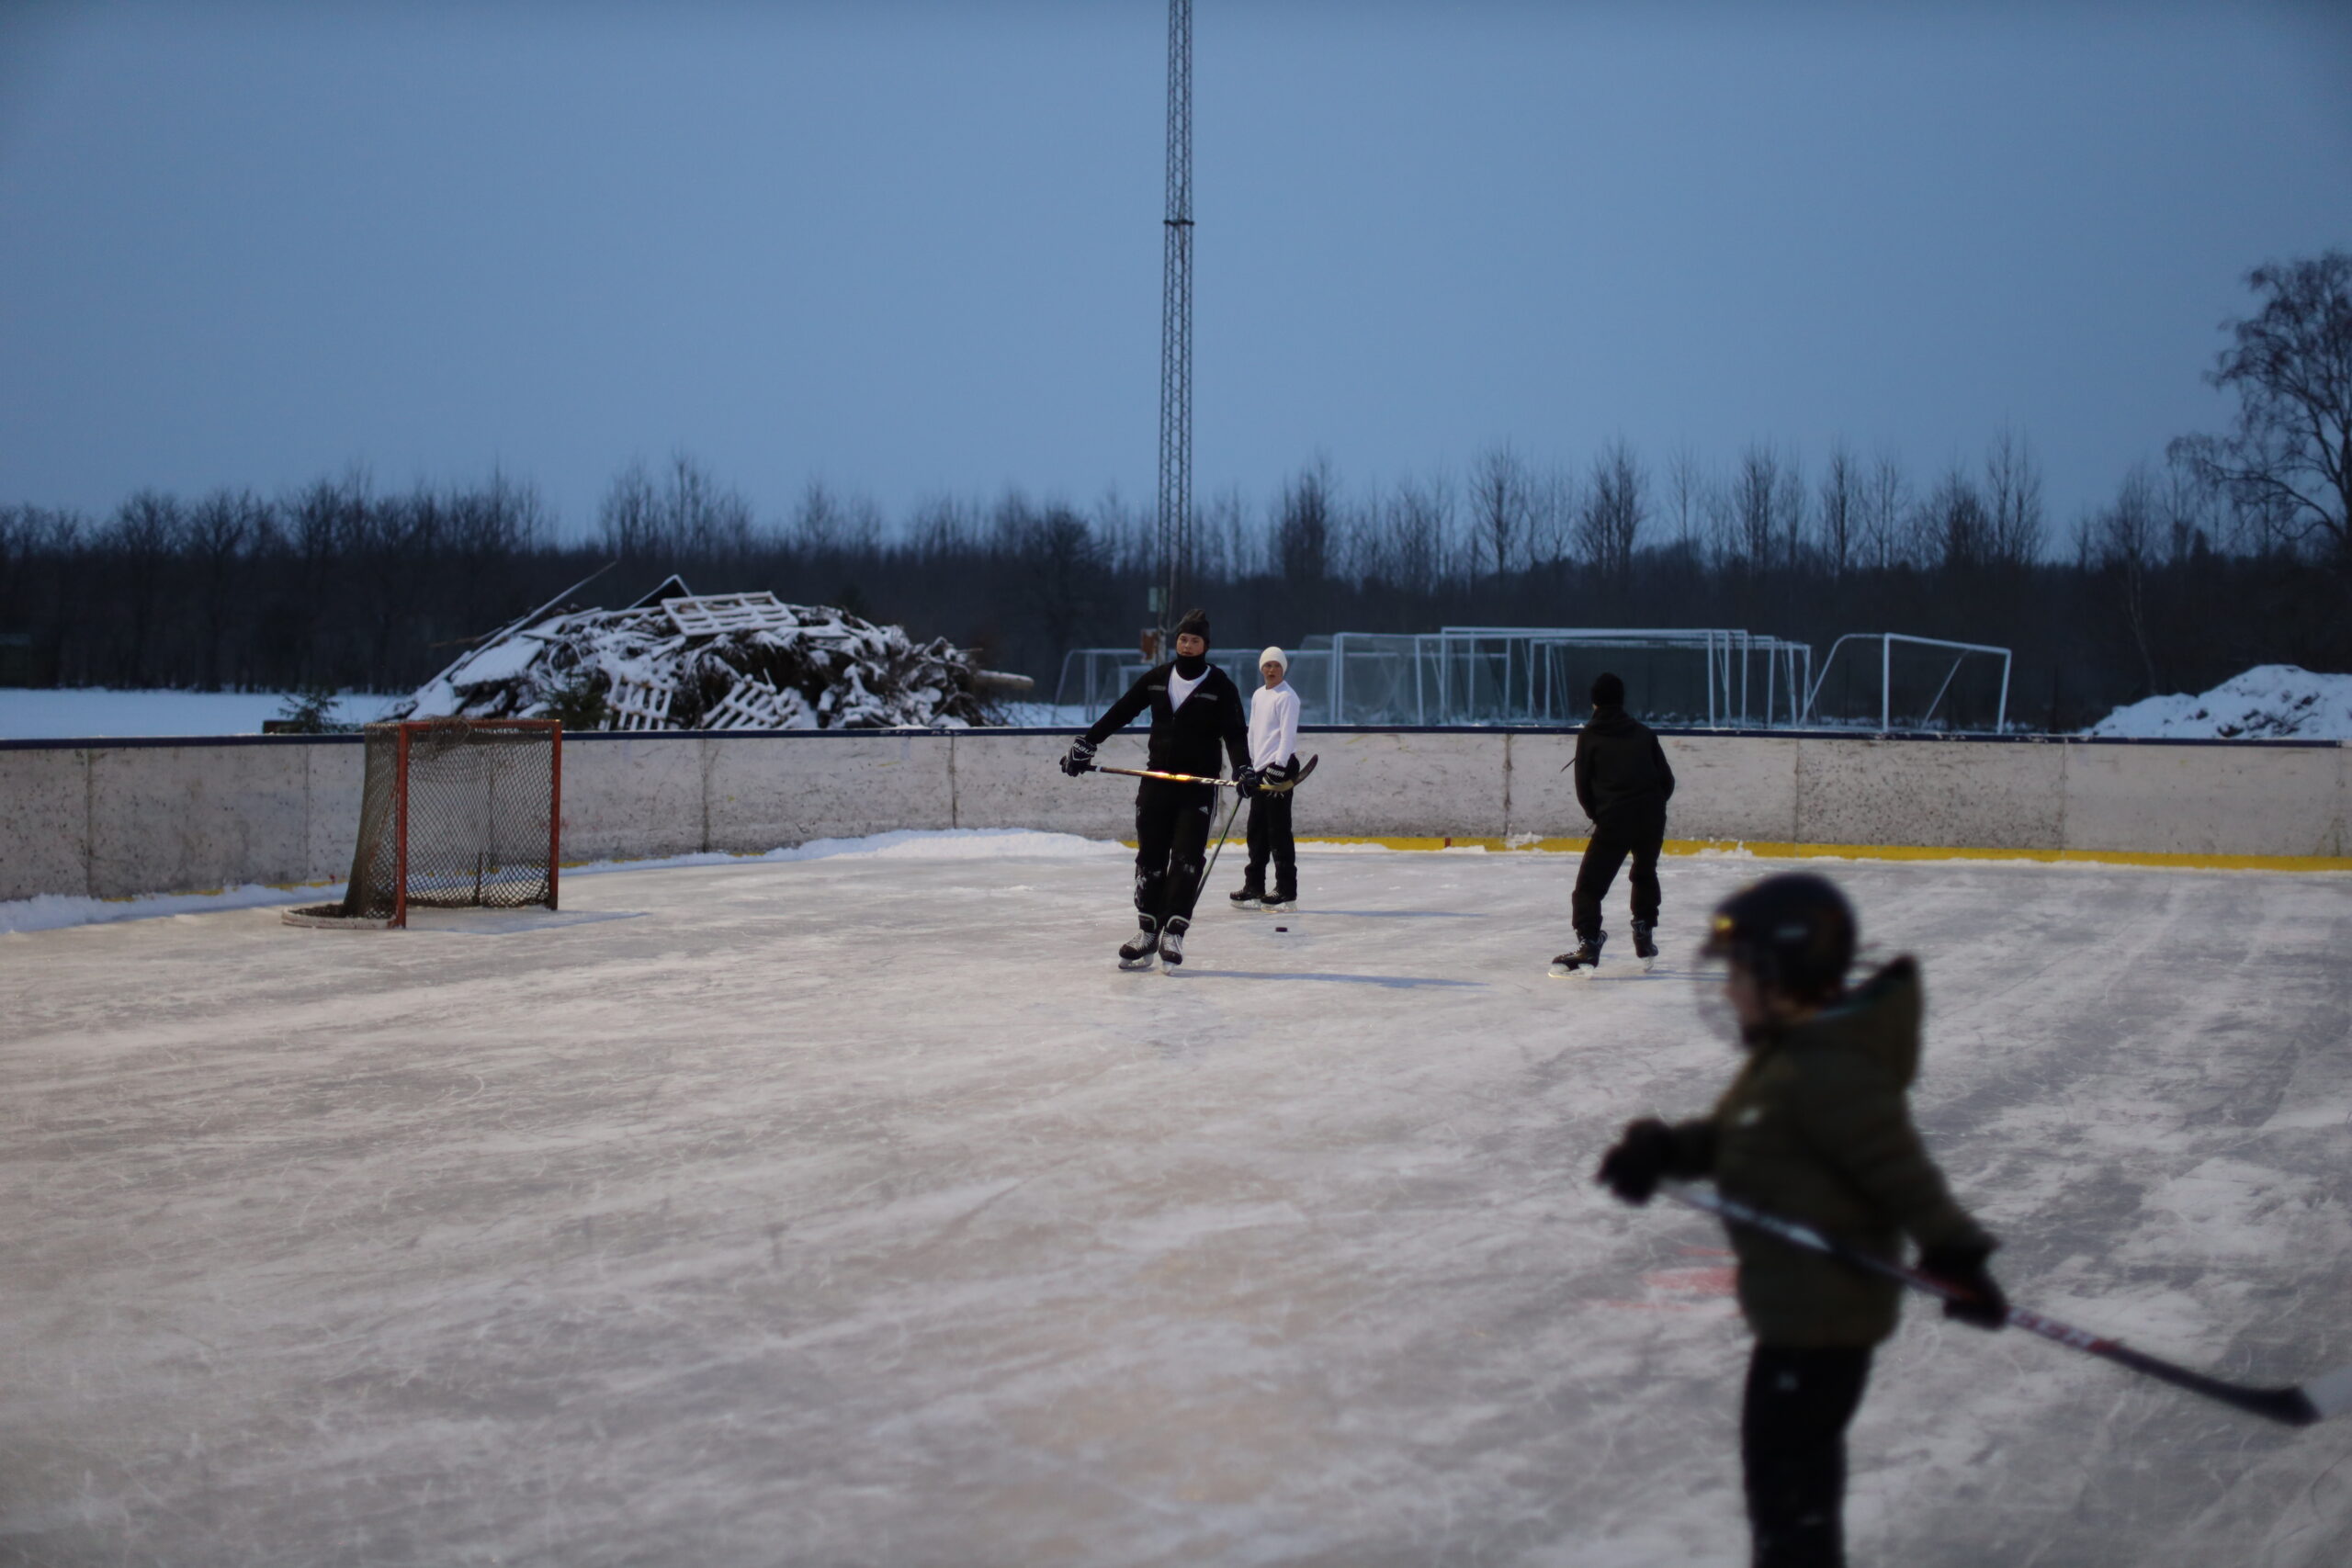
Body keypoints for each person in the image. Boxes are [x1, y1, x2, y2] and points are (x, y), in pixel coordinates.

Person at [1595, 872, 2007, 1568]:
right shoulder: (1792, 1060)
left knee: (1791, 1492)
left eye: (1739, 974)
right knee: (1784, 1485)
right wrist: (1668, 1151)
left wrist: (1954, 1249)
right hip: (1800, 1314)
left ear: (1784, 974)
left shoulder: (1829, 1070)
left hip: (1822, 1322)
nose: (1726, 990)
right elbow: (1742, 1137)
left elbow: (1897, 1167)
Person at [1059, 608, 1255, 969]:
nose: (1187, 644)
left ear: (1206, 646)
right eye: (1183, 638)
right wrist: (1087, 743)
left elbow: (1235, 733)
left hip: (1197, 787)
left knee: (1185, 859)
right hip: (1156, 783)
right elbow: (1121, 711)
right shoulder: (1157, 678)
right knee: (1149, 859)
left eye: (1195, 640)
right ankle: (1147, 930)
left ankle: (1174, 931)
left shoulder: (1220, 686)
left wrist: (1243, 768)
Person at [1552, 671, 1675, 976]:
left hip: (1614, 819)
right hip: (1651, 815)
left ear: (1594, 702)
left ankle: (1589, 942)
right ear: (1621, 701)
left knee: (1589, 888)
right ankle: (1644, 931)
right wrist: (1652, 806)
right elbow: (1667, 781)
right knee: (1644, 873)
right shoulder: (1644, 734)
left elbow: (1583, 788)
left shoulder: (1590, 736)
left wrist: (1602, 814)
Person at [1229, 646, 1302, 911]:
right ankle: (1254, 886)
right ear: (1261, 668)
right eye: (1267, 665)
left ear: (1283, 669)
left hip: (1279, 768)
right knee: (1256, 830)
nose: (1271, 670)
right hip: (1260, 769)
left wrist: (1280, 765)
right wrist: (1246, 766)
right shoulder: (1259, 695)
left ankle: (1286, 889)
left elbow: (1287, 736)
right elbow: (1253, 733)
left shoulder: (1288, 697)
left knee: (1278, 830)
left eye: (1277, 666)